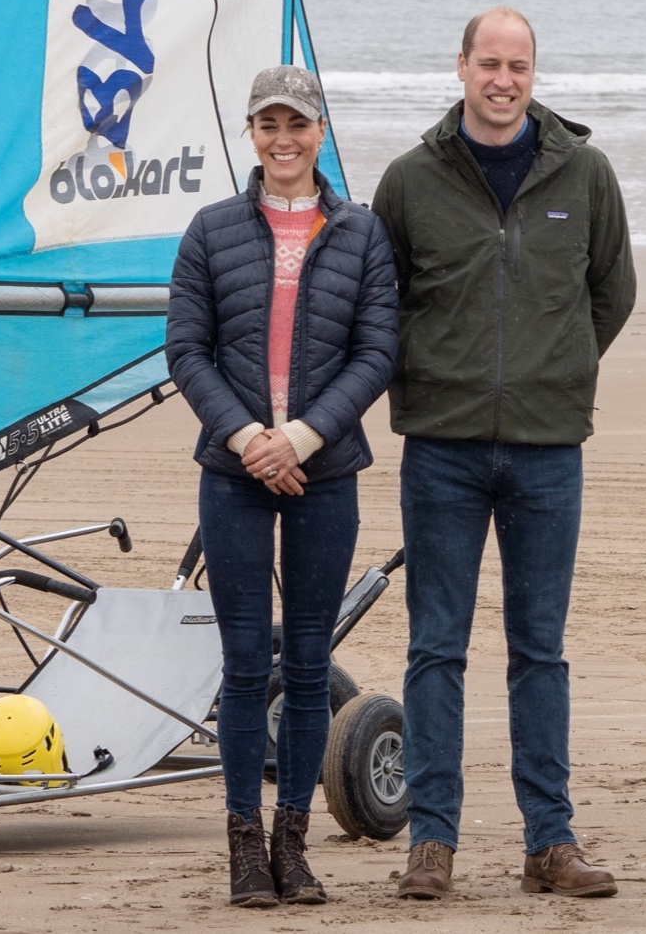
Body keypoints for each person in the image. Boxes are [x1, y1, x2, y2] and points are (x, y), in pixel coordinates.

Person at [372, 7, 636, 901]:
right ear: (461, 67)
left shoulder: (586, 173)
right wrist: (449, 380)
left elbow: (612, 293)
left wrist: (549, 372)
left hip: (547, 451)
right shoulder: (410, 181)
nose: (504, 79)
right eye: (490, 63)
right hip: (441, 448)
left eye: (518, 65)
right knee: (435, 647)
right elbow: (387, 302)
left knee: (540, 650)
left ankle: (548, 844)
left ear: (533, 73)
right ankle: (431, 843)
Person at [166, 65, 397, 908]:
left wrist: (300, 436)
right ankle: (242, 849)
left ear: (319, 132)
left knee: (306, 667)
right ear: (252, 134)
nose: (283, 138)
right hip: (233, 472)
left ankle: (292, 846)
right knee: (239, 666)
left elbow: (377, 351)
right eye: (268, 124)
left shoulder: (362, 233)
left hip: (324, 470)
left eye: (296, 123)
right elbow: (186, 348)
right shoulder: (211, 229)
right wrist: (248, 439)